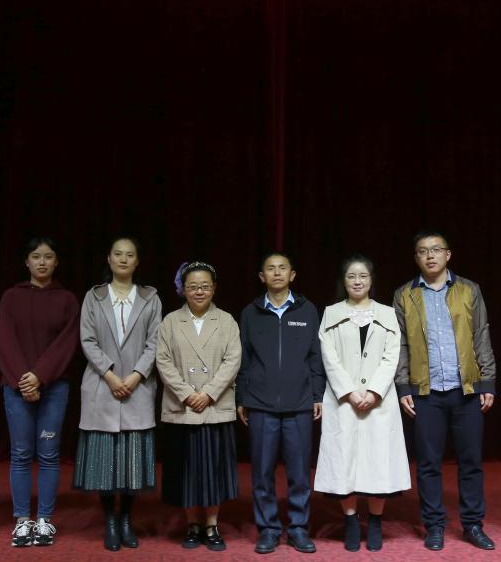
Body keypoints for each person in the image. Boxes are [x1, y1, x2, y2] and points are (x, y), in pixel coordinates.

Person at [393, 230, 497, 552]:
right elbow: (400, 344)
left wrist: (487, 381)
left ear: (448, 254)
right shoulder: (404, 294)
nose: (430, 255)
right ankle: (434, 525)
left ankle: (473, 524)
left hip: (465, 390)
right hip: (425, 393)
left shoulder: (469, 289)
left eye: (436, 249)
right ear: (416, 257)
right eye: (423, 251)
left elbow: (481, 335)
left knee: (471, 462)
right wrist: (403, 385)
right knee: (428, 464)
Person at [314, 255, 410, 552]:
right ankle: (351, 521)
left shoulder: (387, 314)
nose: (357, 281)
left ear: (371, 280)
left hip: (379, 402)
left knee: (378, 462)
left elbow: (392, 356)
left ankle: (376, 522)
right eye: (351, 276)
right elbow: (328, 357)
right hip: (343, 401)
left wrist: (374, 391)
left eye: (363, 276)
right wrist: (350, 392)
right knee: (345, 462)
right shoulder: (331, 313)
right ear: (343, 282)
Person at [73, 237, 161, 552]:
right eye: (118, 254)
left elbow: (155, 342)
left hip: (138, 387)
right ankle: (110, 519)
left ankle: (126, 518)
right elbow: (87, 340)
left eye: (130, 255)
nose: (123, 259)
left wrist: (136, 376)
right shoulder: (94, 296)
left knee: (132, 461)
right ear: (109, 259)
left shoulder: (150, 298)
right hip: (102, 385)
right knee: (105, 461)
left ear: (137, 261)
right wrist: (110, 375)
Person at [236, 251, 325, 554]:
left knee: (299, 474)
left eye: (282, 268)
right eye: (270, 269)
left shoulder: (307, 310)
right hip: (260, 404)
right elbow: (243, 359)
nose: (276, 273)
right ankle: (269, 528)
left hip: (299, 404)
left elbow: (315, 356)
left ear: (292, 275)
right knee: (262, 473)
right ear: (262, 277)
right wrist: (242, 397)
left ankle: (298, 528)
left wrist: (316, 395)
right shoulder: (250, 313)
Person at [0, 237, 80, 547]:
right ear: (26, 261)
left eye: (48, 256)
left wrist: (40, 377)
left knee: (48, 454)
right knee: (20, 454)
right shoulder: (11, 297)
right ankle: (22, 520)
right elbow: (5, 340)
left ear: (56, 262)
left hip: (54, 388)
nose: (42, 262)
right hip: (16, 387)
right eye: (36, 256)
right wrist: (24, 380)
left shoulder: (67, 299)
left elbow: (67, 344)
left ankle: (44, 519)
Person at [156, 261, 241, 552]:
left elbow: (233, 360)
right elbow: (163, 361)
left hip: (215, 407)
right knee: (186, 470)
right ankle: (192, 524)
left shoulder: (227, 321)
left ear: (214, 288)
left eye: (205, 286)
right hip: (183, 408)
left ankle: (212, 525)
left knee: (213, 470)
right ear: (183, 290)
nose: (199, 291)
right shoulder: (170, 321)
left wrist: (209, 393)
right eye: (193, 287)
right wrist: (187, 393)